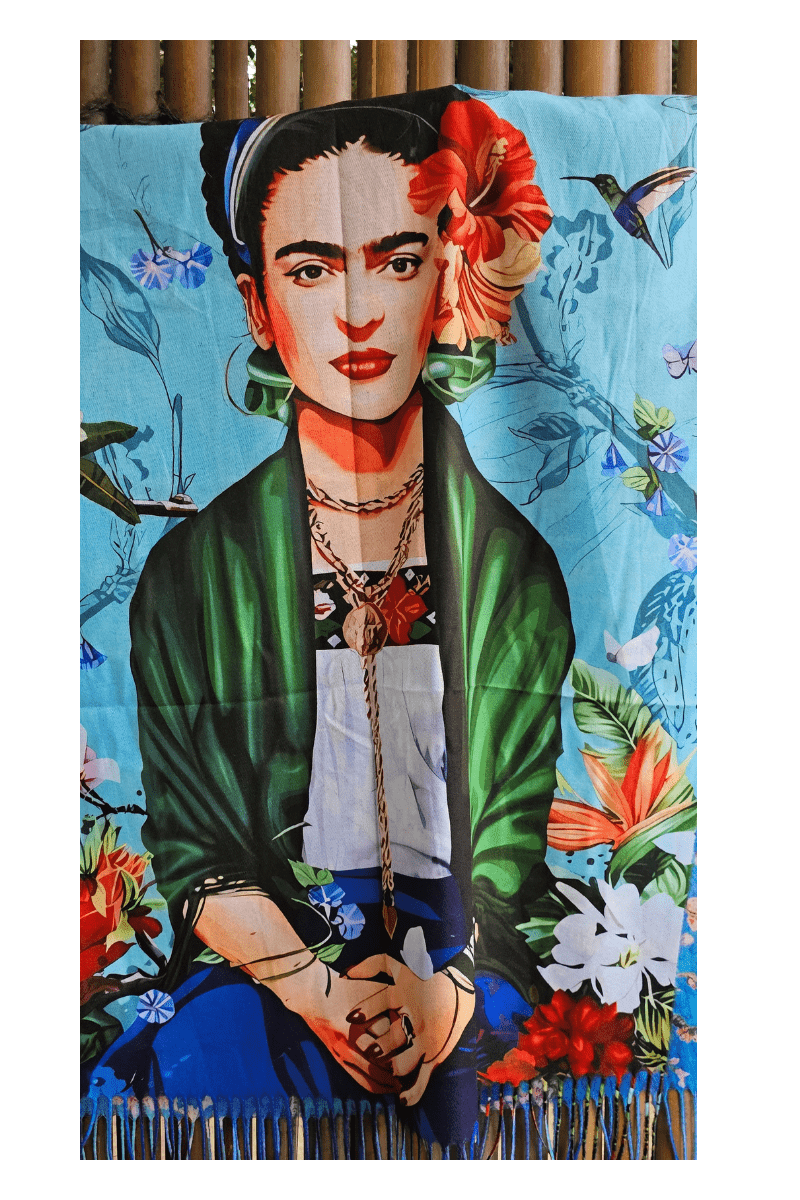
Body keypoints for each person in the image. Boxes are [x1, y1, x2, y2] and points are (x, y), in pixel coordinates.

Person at [87, 88, 574, 1151]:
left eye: (397, 261)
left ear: (445, 279)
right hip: (269, 947)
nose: (357, 311)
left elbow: (511, 854)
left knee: (562, 1061)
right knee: (198, 1061)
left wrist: (444, 995)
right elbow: (195, 853)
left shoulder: (513, 569)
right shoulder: (191, 575)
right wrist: (318, 990)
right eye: (310, 270)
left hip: (471, 946)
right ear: (258, 306)